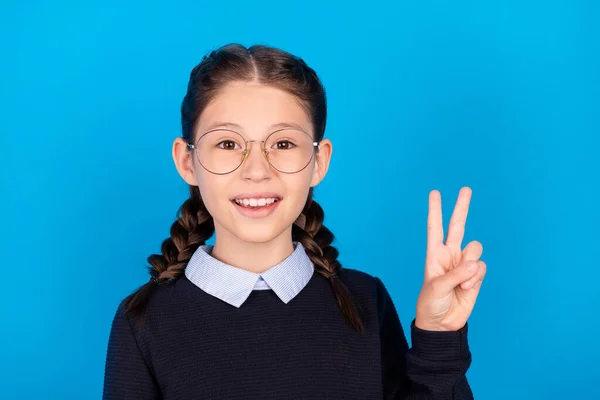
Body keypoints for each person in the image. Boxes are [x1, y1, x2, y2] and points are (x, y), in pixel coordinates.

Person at [102, 43, 486, 400]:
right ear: (187, 160)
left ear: (319, 161)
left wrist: (439, 337)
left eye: (283, 144)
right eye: (227, 143)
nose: (256, 171)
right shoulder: (143, 320)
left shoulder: (365, 301)